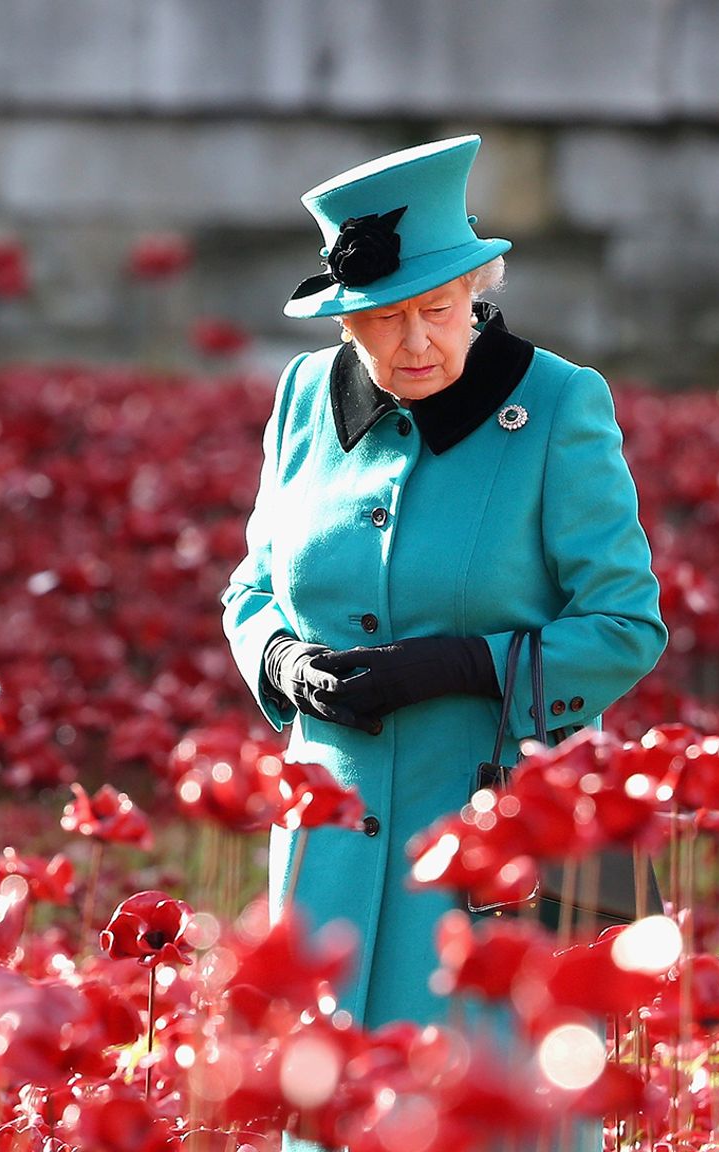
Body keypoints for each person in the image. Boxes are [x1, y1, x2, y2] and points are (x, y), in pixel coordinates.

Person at [221, 135, 667, 1037]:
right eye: (385, 319)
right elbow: (252, 586)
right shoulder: (304, 396)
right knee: (324, 1096)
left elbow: (625, 627)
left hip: (493, 851)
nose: (415, 340)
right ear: (346, 320)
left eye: (436, 309)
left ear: (479, 293)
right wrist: (282, 661)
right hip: (327, 850)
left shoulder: (559, 408)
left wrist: (465, 665)